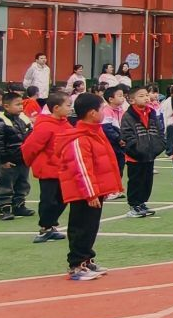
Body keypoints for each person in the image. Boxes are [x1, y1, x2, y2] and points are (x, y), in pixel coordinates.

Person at [57, 93, 121, 281]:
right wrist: (90, 193)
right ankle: (77, 264)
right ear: (92, 113)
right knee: (81, 226)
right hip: (83, 192)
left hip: (94, 189)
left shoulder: (95, 132)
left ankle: (87, 258)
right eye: (102, 109)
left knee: (91, 226)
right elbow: (81, 168)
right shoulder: (79, 137)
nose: (104, 112)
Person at [24, 94, 69, 243]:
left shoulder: (66, 124)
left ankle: (51, 225)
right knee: (48, 200)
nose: (70, 108)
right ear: (56, 108)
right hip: (48, 169)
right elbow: (30, 147)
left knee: (63, 198)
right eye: (67, 105)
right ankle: (45, 228)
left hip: (63, 169)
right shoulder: (45, 126)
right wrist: (30, 162)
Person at [119, 87, 165, 218]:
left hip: (150, 155)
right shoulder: (128, 116)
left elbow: (160, 131)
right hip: (135, 157)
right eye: (141, 96)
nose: (146, 98)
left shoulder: (151, 113)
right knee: (136, 181)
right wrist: (137, 150)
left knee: (147, 181)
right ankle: (134, 205)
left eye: (146, 95)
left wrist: (158, 147)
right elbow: (127, 136)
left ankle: (142, 203)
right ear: (131, 100)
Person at [0, 90, 35, 220]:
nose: (21, 107)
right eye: (17, 104)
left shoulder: (23, 119)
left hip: (22, 159)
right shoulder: (0, 122)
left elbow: (31, 137)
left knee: (23, 184)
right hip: (8, 161)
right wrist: (3, 160)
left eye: (21, 104)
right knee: (5, 185)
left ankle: (19, 205)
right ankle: (4, 209)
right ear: (6, 106)